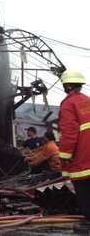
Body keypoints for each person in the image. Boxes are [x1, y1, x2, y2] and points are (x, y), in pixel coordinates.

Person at [58, 69, 90, 231]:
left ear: (67, 85)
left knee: (84, 188)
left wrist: (64, 157)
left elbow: (69, 133)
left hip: (82, 157)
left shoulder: (68, 104)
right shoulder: (88, 100)